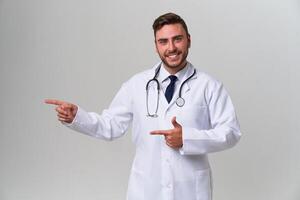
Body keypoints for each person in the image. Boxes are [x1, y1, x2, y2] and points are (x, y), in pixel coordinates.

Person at [45, 12, 241, 200]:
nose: (171, 47)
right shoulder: (136, 84)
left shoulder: (209, 86)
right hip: (147, 188)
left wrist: (187, 138)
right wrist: (77, 117)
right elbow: (110, 125)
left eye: (177, 39)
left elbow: (230, 132)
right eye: (163, 41)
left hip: (189, 189)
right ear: (156, 46)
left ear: (189, 39)